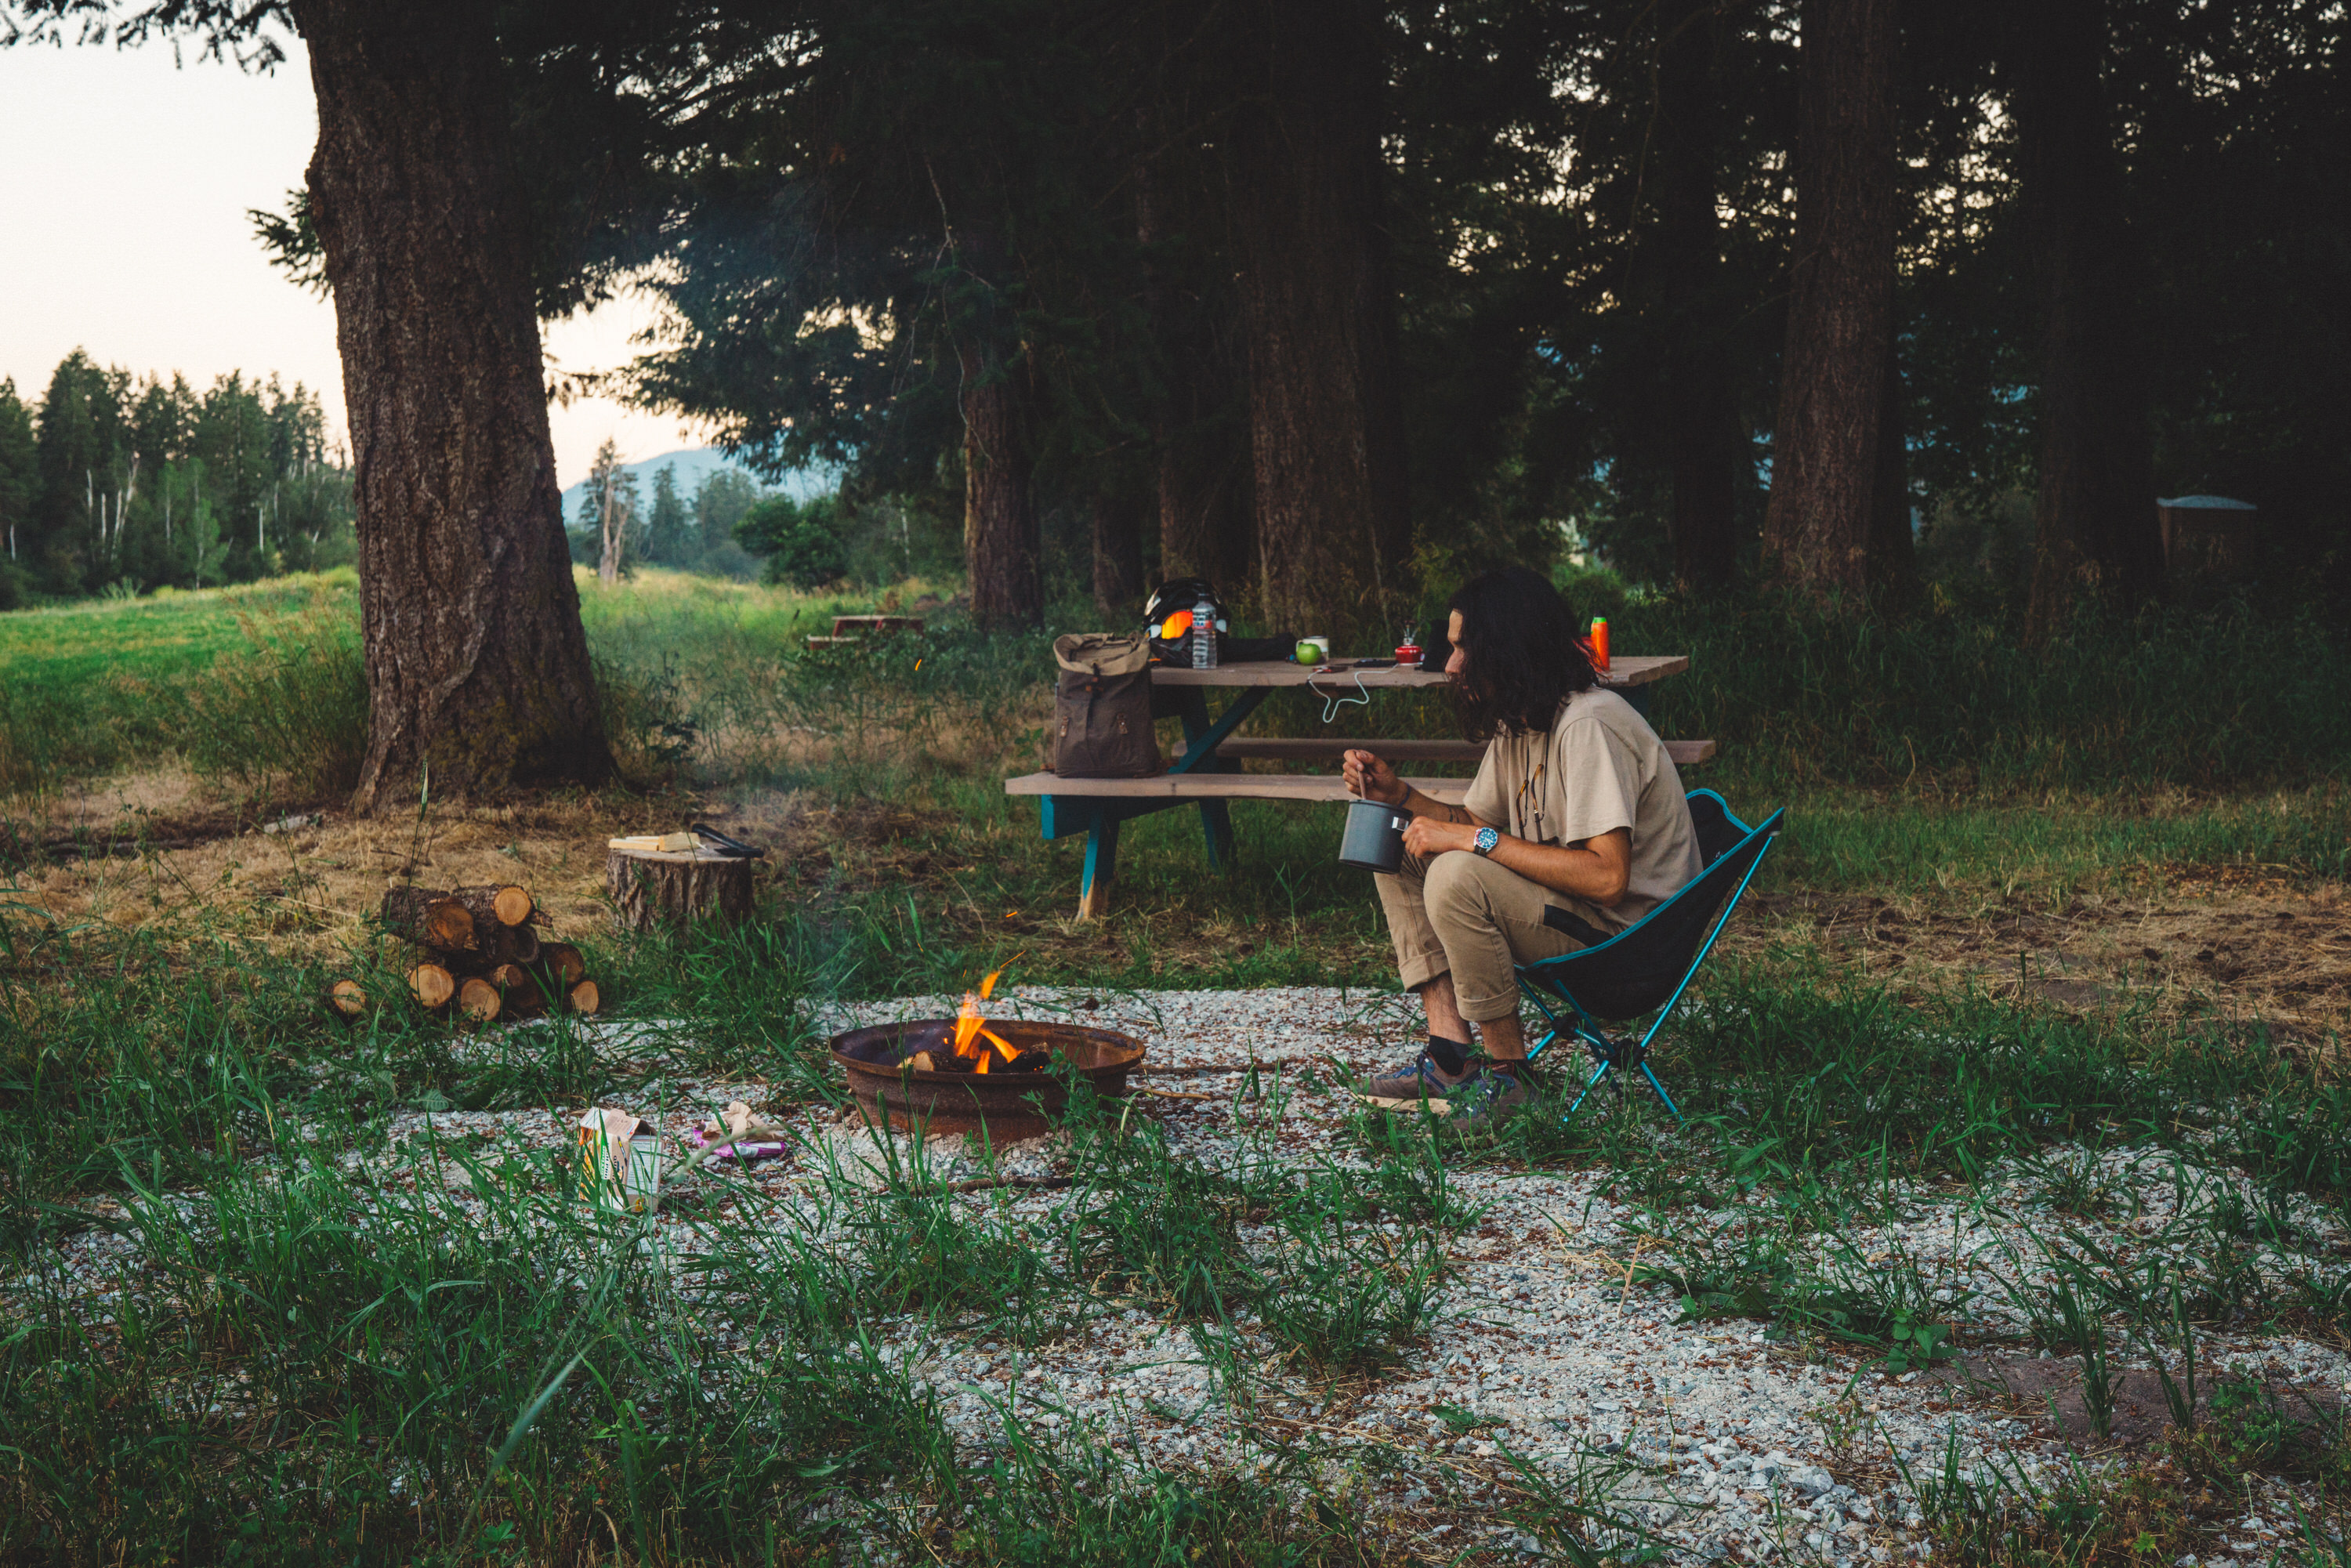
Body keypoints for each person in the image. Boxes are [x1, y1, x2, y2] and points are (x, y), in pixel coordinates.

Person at [1343, 567, 1701, 1120]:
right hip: (1573, 918)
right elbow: (1472, 820)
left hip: (1627, 949)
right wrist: (1401, 795)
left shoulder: (1588, 725)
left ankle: (1511, 1078)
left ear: (1508, 649)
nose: (1450, 665)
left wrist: (1472, 839)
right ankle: (1451, 1058)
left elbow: (1607, 878)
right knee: (1399, 843)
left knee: (1456, 873)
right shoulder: (1524, 720)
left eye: (1464, 648)